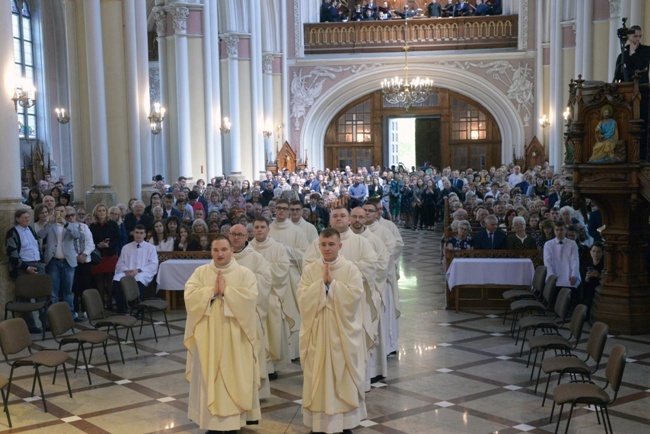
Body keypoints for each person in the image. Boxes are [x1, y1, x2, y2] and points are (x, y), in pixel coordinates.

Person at [184, 235, 260, 432]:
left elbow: (251, 299)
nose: (220, 254)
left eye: (224, 249)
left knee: (235, 376)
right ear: (211, 251)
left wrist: (227, 292)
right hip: (207, 337)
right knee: (209, 375)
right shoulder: (200, 273)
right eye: (216, 250)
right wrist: (210, 291)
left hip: (236, 337)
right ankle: (212, 423)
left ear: (231, 250)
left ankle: (234, 422)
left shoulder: (245, 274)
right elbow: (189, 297)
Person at [298, 228, 366, 434]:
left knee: (342, 374)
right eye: (323, 245)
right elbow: (301, 297)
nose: (327, 249)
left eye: (331, 244)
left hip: (341, 333)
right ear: (319, 246)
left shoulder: (351, 269)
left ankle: (344, 423)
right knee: (317, 374)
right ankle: (318, 424)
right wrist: (321, 286)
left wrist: (332, 286)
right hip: (317, 331)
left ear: (340, 246)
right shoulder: (310, 269)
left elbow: (355, 296)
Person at [228, 224, 272, 399]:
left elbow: (266, 280)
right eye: (233, 234)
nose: (236, 237)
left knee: (251, 353)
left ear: (247, 237)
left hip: (249, 314)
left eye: (239, 234)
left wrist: (242, 285)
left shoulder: (256, 258)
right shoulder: (223, 255)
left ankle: (256, 394)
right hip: (227, 315)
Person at [249, 217, 294, 378]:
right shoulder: (248, 248)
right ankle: (257, 365)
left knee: (272, 330)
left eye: (262, 227)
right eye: (256, 227)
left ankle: (272, 367)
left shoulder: (278, 247)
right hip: (253, 297)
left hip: (271, 296)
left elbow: (283, 268)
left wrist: (261, 271)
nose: (259, 230)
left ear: (268, 229)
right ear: (252, 230)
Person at [5, 209, 47, 333]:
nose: (27, 220)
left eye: (28, 217)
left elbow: (36, 246)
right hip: (24, 266)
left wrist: (41, 262)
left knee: (42, 294)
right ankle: (31, 325)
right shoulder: (13, 232)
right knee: (25, 297)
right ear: (17, 219)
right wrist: (26, 267)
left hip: (37, 263)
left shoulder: (31, 230)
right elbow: (12, 253)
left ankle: (46, 323)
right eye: (24, 218)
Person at [38, 204, 82, 319]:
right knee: (53, 291)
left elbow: (77, 235)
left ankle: (70, 314)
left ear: (65, 212)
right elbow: (40, 235)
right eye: (57, 211)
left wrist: (66, 224)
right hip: (53, 262)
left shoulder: (71, 225)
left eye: (61, 211)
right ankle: (55, 316)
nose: (59, 213)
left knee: (68, 291)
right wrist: (49, 222)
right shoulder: (50, 226)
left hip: (68, 261)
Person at [112, 225, 159, 313]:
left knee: (139, 278)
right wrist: (126, 270)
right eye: (137, 232)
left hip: (142, 272)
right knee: (117, 278)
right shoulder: (126, 247)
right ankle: (121, 309)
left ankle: (139, 310)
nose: (138, 235)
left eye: (141, 233)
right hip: (127, 271)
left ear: (145, 235)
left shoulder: (150, 248)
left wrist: (138, 270)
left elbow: (153, 264)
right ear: (133, 234)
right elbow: (120, 262)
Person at [543, 221, 581, 308]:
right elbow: (547, 262)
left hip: (569, 273)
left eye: (561, 230)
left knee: (570, 291)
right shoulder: (548, 244)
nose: (559, 232)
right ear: (554, 231)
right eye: (557, 230)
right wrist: (552, 277)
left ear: (566, 231)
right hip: (555, 274)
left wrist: (574, 275)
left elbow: (575, 260)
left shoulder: (572, 244)